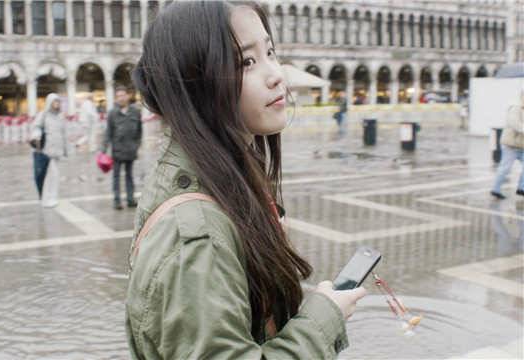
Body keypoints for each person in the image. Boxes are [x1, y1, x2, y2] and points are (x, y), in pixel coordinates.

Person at [126, 2, 366, 359]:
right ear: (197, 84)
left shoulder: (223, 186)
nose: (276, 75)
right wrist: (323, 318)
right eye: (246, 62)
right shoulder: (197, 237)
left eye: (270, 52)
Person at [101, 86, 142, 209]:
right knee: (116, 176)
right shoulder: (112, 113)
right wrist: (103, 149)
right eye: (118, 96)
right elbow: (108, 132)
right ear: (116, 98)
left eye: (123, 95)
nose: (121, 98)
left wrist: (137, 145)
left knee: (130, 175)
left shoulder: (135, 111)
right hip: (117, 150)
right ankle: (117, 200)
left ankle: (130, 199)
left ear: (127, 96)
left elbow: (140, 131)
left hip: (130, 149)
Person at [31, 93, 68, 208]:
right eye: (55, 101)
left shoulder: (61, 116)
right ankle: (46, 198)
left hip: (57, 150)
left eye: (58, 101)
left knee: (54, 176)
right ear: (49, 103)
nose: (57, 104)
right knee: (50, 175)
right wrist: (36, 136)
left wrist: (65, 149)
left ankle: (52, 197)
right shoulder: (43, 115)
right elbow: (36, 127)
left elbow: (63, 134)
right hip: (46, 150)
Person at [491, 88, 524, 200]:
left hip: (522, 145)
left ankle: (521, 188)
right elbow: (515, 124)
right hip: (511, 145)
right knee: (505, 168)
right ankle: (495, 189)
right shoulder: (515, 108)